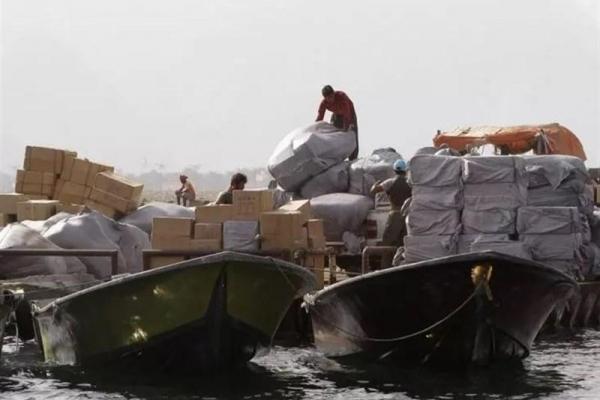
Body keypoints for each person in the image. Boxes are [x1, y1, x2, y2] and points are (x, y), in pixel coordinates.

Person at [370, 159, 412, 268]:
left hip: (395, 216)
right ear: (405, 170)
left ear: (394, 170)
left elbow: (374, 191)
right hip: (408, 217)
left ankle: (385, 268)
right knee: (404, 244)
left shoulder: (390, 182)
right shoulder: (410, 183)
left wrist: (375, 184)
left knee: (387, 244)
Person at [316, 85, 359, 160]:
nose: (330, 99)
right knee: (333, 133)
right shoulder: (324, 103)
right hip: (337, 114)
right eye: (328, 98)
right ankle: (336, 156)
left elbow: (347, 114)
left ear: (334, 94)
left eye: (331, 97)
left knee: (351, 134)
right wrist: (315, 129)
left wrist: (346, 128)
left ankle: (353, 158)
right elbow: (320, 116)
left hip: (349, 114)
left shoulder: (342, 97)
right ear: (325, 98)